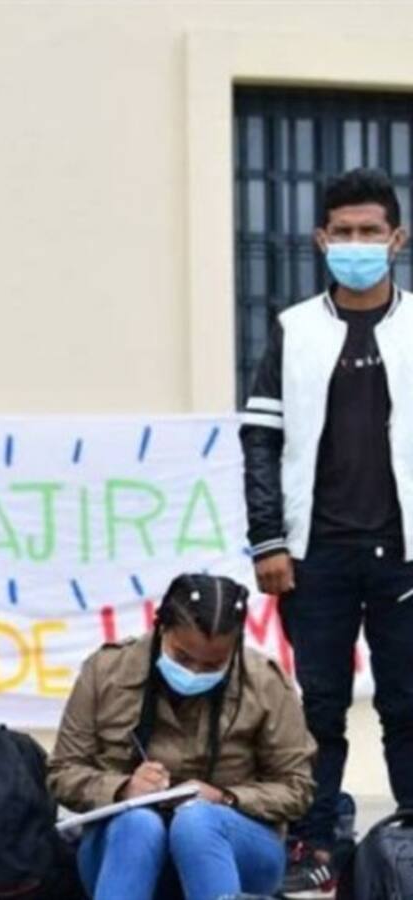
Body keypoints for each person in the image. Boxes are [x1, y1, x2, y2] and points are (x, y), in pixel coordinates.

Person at [239, 167, 413, 897]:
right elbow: (261, 441)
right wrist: (269, 542)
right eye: (342, 232)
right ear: (320, 239)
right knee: (317, 710)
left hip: (404, 556)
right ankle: (313, 841)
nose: (356, 244)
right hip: (317, 557)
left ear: (396, 239)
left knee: (408, 702)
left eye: (369, 231)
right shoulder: (293, 330)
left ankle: (407, 837)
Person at [47, 574, 315, 900]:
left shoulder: (265, 683)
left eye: (214, 664)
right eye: (183, 657)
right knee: (138, 824)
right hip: (123, 851)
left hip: (237, 852)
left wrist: (225, 798)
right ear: (162, 629)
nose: (196, 672)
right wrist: (122, 789)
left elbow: (297, 788)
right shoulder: (106, 671)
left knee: (198, 822)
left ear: (235, 646)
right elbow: (62, 773)